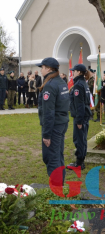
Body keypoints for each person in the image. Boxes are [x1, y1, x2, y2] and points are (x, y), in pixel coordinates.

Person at [36, 57, 69, 187]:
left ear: (49, 69)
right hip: (61, 123)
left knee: (52, 157)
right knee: (58, 155)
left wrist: (47, 135)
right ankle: (60, 184)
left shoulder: (50, 85)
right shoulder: (61, 82)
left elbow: (49, 113)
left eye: (42, 67)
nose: (41, 70)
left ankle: (56, 187)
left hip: (54, 126)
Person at [66, 64, 91, 170]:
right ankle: (81, 161)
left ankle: (79, 163)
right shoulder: (83, 83)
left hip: (80, 116)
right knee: (82, 139)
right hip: (85, 115)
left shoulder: (78, 85)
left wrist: (79, 121)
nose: (73, 72)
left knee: (79, 139)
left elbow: (79, 104)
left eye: (74, 70)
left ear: (79, 72)